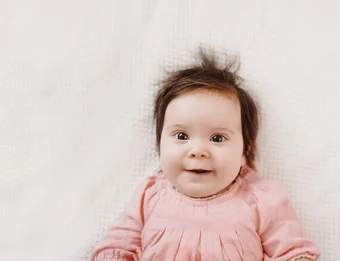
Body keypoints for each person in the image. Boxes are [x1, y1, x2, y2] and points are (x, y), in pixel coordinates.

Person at [91, 49, 320, 260]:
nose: (198, 151)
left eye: (217, 138)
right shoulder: (149, 196)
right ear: (160, 143)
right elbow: (119, 246)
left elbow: (292, 251)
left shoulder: (261, 200)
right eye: (181, 136)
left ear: (244, 152)